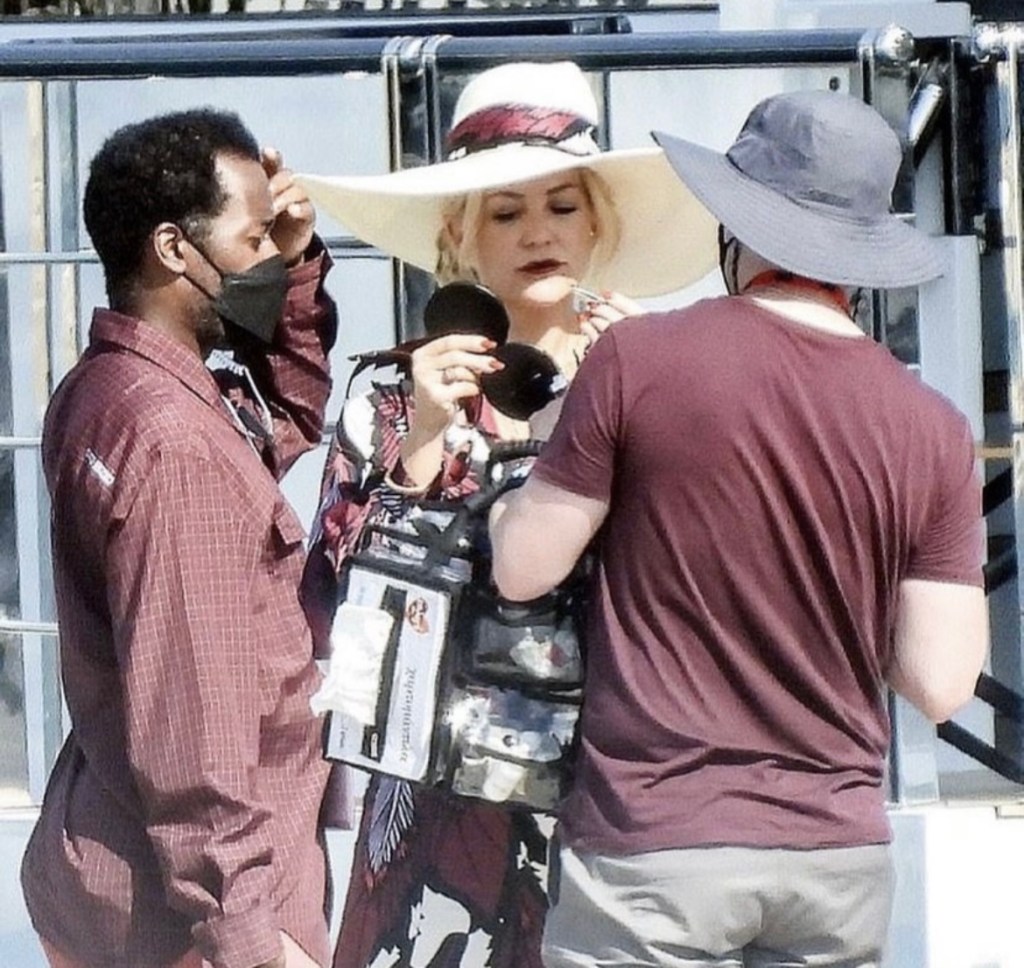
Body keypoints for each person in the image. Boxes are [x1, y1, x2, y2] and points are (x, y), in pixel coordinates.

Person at [489, 89, 990, 968]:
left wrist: (507, 502)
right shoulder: (935, 427)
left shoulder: (637, 360)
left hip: (656, 840)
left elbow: (525, 569)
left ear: (737, 221)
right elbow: (943, 683)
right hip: (836, 854)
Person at [297, 61, 717, 968]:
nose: (538, 232)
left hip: (612, 790)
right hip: (436, 802)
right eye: (504, 211)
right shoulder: (394, 392)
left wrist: (639, 403)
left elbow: (702, 575)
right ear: (459, 234)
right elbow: (334, 596)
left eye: (562, 206)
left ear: (598, 226)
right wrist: (423, 441)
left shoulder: (661, 379)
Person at [20, 109, 339, 968]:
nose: (266, 260)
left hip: (112, 879)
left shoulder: (109, 387)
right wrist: (250, 941)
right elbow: (194, 727)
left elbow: (286, 416)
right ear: (173, 248)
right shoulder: (177, 447)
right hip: (188, 929)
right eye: (253, 239)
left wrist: (295, 267)